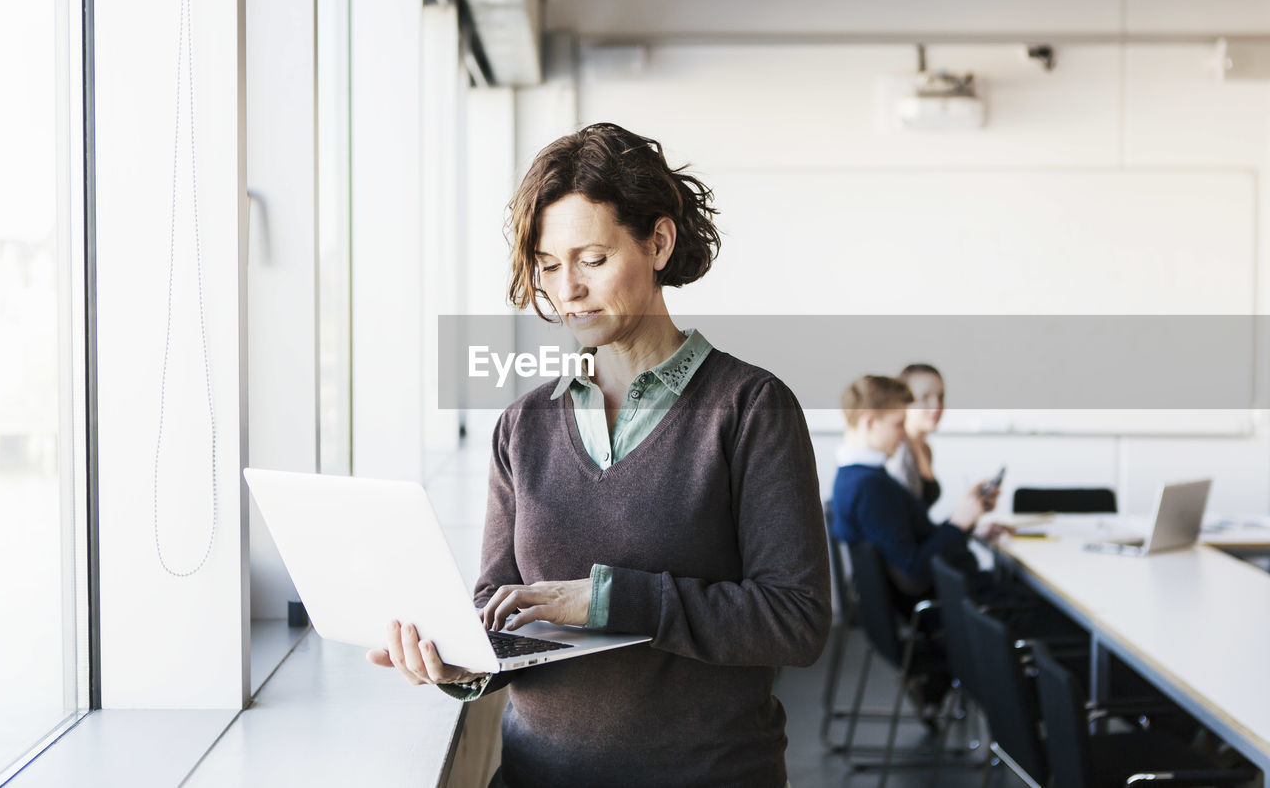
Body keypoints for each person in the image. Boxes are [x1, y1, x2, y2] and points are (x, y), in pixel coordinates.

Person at [367, 122, 831, 788]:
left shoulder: (752, 407)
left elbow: (796, 619)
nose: (568, 290)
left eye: (591, 258)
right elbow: (503, 608)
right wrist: (460, 662)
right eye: (549, 266)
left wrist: (605, 598)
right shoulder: (522, 425)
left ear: (659, 242)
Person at [831, 375, 1002, 603]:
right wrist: (957, 524)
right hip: (959, 606)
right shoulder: (870, 487)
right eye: (899, 424)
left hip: (957, 599)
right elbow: (914, 572)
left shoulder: (854, 478)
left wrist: (965, 521)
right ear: (869, 422)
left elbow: (914, 540)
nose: (904, 433)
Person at [886, 363, 944, 508]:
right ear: (903, 401)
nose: (936, 406)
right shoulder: (897, 451)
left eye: (941, 397)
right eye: (924, 397)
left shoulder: (926, 449)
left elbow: (922, 522)